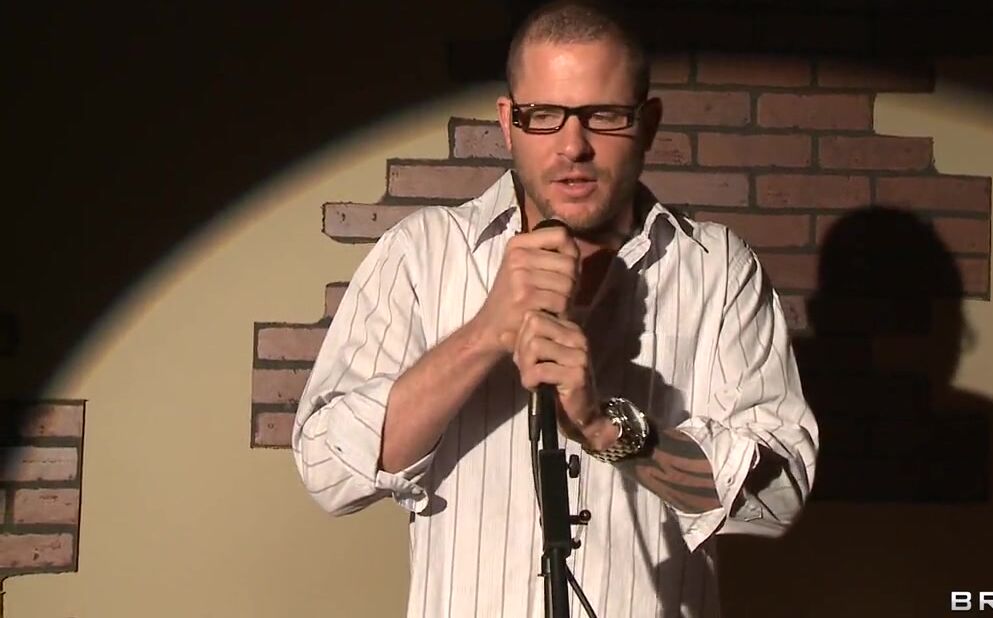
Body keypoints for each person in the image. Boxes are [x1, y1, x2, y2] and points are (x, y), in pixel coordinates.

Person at [291, 1, 818, 615]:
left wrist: (605, 428)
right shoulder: (421, 253)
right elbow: (329, 473)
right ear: (509, 123)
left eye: (604, 116)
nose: (573, 146)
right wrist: (486, 332)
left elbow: (778, 500)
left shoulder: (717, 268)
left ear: (648, 123)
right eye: (544, 115)